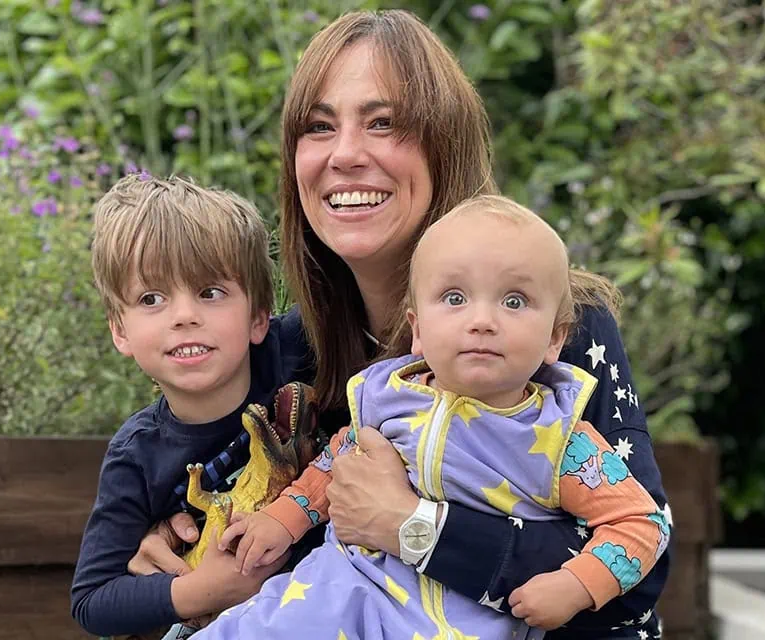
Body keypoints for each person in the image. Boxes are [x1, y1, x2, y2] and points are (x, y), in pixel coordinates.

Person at [128, 10, 673, 639]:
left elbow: (636, 581)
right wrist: (170, 538)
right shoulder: (282, 352)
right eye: (319, 127)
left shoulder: (558, 334)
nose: (346, 154)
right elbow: (200, 488)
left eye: (384, 123)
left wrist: (413, 526)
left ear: (446, 144)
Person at [199, 195, 670, 638]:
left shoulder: (560, 440)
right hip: (344, 594)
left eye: (514, 301)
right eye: (454, 298)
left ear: (555, 338)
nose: (482, 320)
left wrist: (576, 583)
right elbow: (336, 463)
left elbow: (642, 523)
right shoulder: (386, 398)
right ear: (417, 330)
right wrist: (284, 520)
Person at [69, 175, 314, 637]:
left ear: (258, 316)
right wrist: (206, 589)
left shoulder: (290, 352)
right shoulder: (137, 454)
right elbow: (92, 599)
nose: (184, 316)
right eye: (151, 298)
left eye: (210, 292)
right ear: (120, 331)